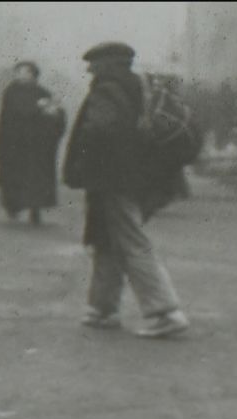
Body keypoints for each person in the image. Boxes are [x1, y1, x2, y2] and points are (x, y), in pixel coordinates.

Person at [63, 41, 190, 338]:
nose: (89, 69)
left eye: (94, 64)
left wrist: (84, 162)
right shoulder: (136, 86)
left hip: (111, 178)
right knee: (107, 238)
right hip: (132, 176)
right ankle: (102, 308)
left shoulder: (107, 90)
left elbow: (101, 129)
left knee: (132, 241)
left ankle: (166, 312)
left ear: (107, 64)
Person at [0, 61, 67, 225]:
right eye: (19, 72)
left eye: (26, 72)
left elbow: (56, 114)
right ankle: (13, 207)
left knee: (36, 176)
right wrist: (39, 107)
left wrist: (54, 113)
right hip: (14, 142)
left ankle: (35, 209)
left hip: (37, 144)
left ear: (34, 75)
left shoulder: (43, 92)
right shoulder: (11, 92)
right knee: (14, 174)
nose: (21, 75)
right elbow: (17, 112)